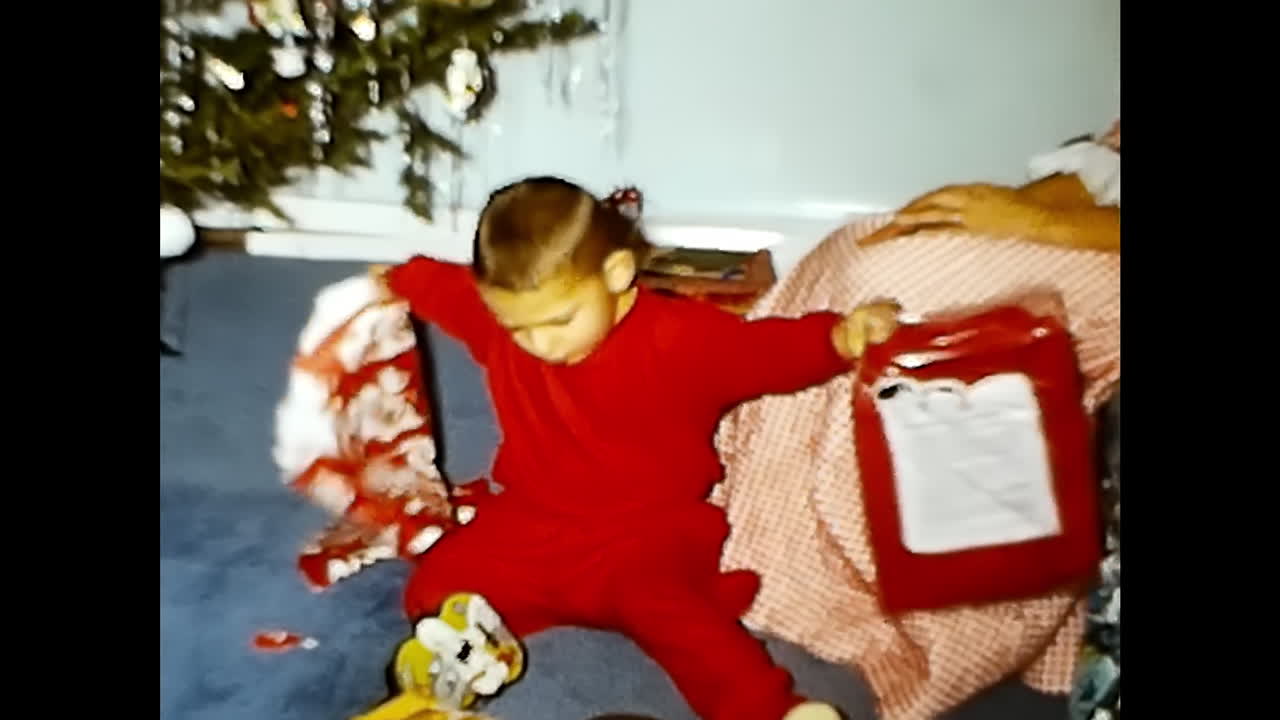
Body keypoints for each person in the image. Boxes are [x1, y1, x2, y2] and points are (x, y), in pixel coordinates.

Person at [376, 176, 900, 720]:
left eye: (558, 321)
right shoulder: (504, 322)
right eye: (516, 327)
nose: (539, 343)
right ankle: (467, 652)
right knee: (435, 583)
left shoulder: (679, 337)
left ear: (617, 274)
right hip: (534, 521)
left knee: (677, 617)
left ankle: (773, 710)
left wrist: (840, 338)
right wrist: (400, 278)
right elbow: (450, 290)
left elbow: (765, 350)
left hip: (645, 533)